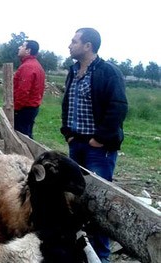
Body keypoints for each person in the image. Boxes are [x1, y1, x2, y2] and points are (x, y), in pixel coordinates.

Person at [61, 27, 128, 263]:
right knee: (76, 198)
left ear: (88, 45)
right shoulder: (73, 71)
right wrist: (68, 133)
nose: (69, 44)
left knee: (98, 202)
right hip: (76, 144)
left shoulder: (108, 72)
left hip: (98, 149)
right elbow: (68, 103)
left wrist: (99, 139)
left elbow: (118, 107)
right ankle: (80, 250)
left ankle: (101, 257)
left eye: (74, 41)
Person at [13, 40, 46, 139]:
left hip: (24, 109)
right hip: (32, 108)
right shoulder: (36, 65)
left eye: (22, 46)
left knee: (21, 138)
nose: (19, 47)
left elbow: (23, 91)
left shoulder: (27, 67)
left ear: (28, 50)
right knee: (28, 136)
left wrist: (15, 109)